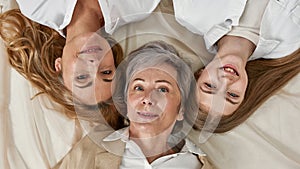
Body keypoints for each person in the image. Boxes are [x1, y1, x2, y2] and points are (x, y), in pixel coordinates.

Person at [53, 40, 212, 169]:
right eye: (138, 87)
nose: (147, 98)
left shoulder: (199, 163)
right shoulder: (93, 147)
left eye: (163, 89)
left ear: (181, 109)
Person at [0, 9, 125, 129]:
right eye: (106, 72)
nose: (94, 64)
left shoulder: (36, 8)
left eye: (82, 77)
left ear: (58, 65)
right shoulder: (133, 8)